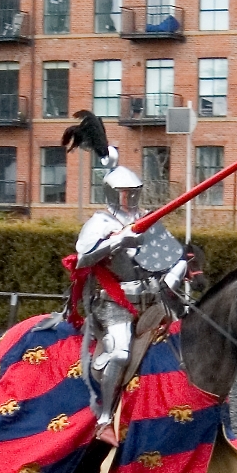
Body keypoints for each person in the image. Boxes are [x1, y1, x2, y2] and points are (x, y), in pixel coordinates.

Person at [71, 147, 188, 436]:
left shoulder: (148, 218)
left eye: (133, 192)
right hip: (115, 303)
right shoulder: (100, 223)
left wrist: (170, 281)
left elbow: (177, 259)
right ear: (111, 192)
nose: (129, 198)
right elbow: (82, 259)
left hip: (153, 298)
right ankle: (105, 420)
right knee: (121, 353)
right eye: (123, 192)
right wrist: (117, 242)